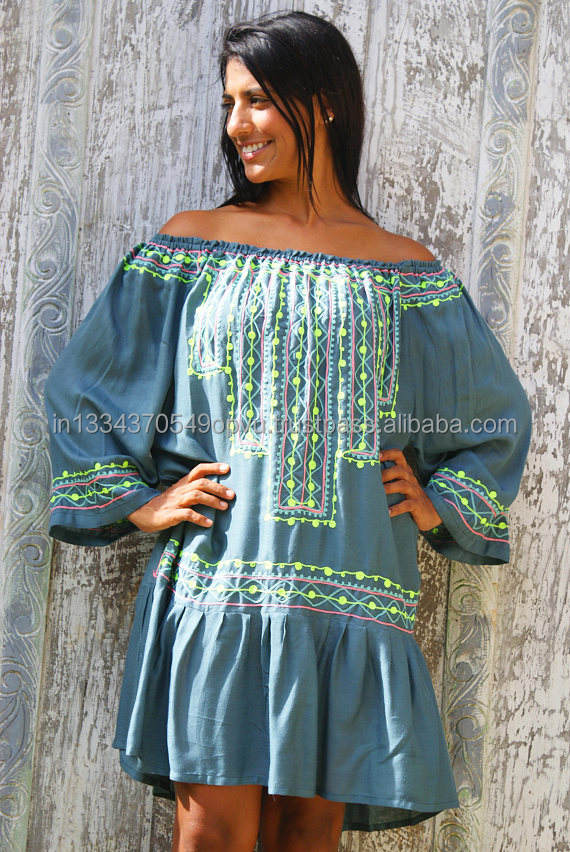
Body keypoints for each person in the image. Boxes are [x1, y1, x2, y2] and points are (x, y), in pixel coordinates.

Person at [44, 10, 532, 852]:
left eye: (259, 101)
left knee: (307, 835)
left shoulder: (404, 269)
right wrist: (139, 501)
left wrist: (439, 500)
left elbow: (493, 415)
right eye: (229, 104)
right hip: (223, 576)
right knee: (211, 830)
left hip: (355, 586)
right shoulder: (192, 247)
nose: (238, 125)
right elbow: (87, 387)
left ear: (325, 102)